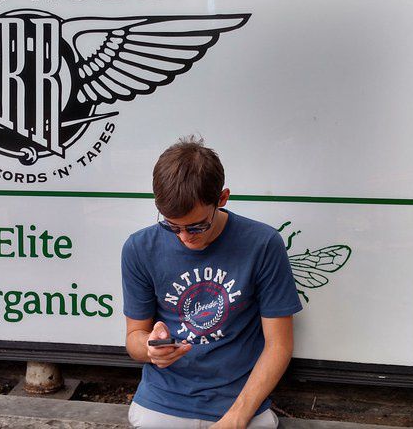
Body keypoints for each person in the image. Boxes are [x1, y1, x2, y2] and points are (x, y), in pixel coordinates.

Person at [121, 136, 302, 428]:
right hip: (164, 399)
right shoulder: (140, 247)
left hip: (240, 399)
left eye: (196, 226)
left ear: (222, 198)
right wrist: (151, 348)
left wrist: (236, 418)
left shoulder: (262, 244)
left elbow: (279, 345)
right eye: (171, 226)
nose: (184, 237)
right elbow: (134, 338)